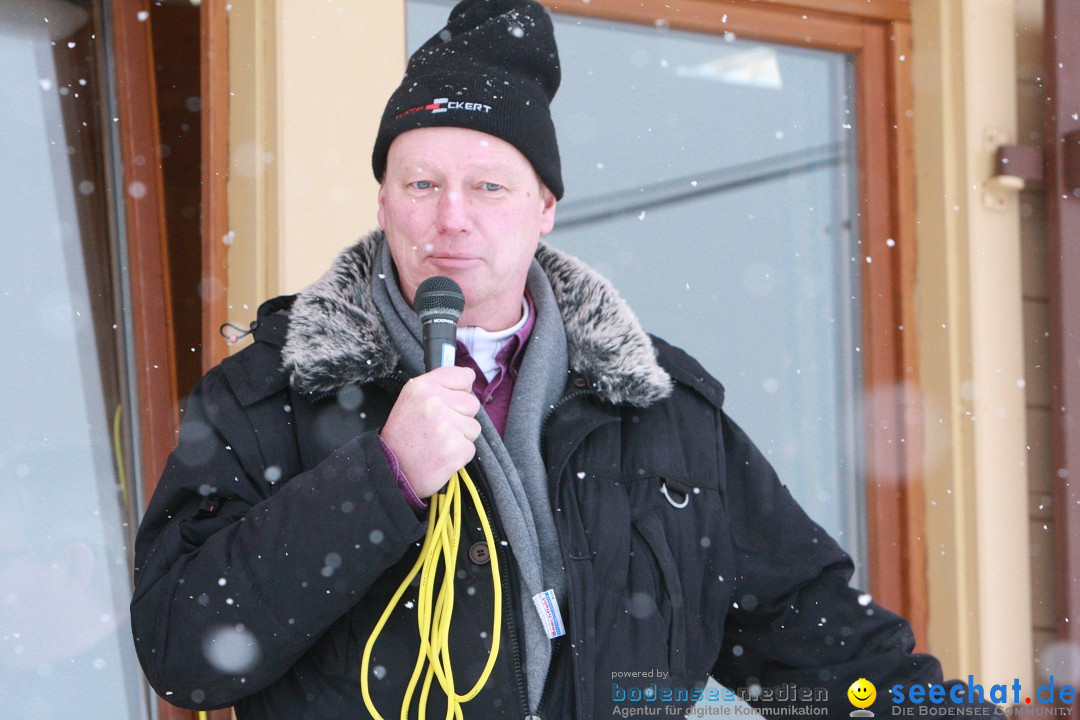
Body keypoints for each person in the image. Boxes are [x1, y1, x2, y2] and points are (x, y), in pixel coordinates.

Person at [131, 1, 1002, 718]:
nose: (451, 217)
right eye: (421, 183)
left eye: (488, 186)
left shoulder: (659, 416)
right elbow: (182, 648)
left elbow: (818, 644)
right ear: (385, 202)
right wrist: (381, 479)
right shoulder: (269, 397)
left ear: (545, 206)